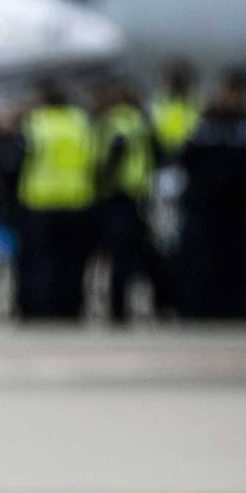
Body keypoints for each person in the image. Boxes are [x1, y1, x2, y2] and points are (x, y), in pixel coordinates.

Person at [14, 78, 96, 319]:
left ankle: (41, 308)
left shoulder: (36, 123)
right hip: (77, 199)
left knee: (40, 260)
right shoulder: (81, 123)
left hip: (40, 201)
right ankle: (70, 307)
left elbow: (20, 158)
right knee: (73, 262)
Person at [176, 69, 246, 317]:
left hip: (236, 209)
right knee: (200, 260)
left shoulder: (240, 126)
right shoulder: (205, 125)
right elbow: (186, 160)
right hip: (205, 207)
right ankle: (199, 309)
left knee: (235, 262)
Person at [93, 78, 156, 323]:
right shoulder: (139, 121)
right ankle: (126, 305)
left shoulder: (118, 122)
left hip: (118, 195)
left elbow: (115, 155)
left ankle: (118, 307)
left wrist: (102, 182)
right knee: (130, 254)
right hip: (136, 195)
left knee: (118, 255)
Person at [151, 58, 203, 160]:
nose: (178, 82)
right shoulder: (159, 100)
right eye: (175, 78)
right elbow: (155, 126)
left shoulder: (196, 100)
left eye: (182, 78)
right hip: (162, 154)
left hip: (192, 154)